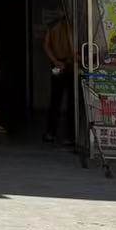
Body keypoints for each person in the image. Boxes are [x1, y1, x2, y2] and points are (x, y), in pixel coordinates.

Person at [41, 13, 75, 144]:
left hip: (56, 65)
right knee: (72, 101)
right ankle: (70, 136)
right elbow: (73, 48)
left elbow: (45, 45)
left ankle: (51, 133)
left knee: (55, 99)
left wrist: (55, 61)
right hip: (70, 64)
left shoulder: (52, 26)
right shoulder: (72, 26)